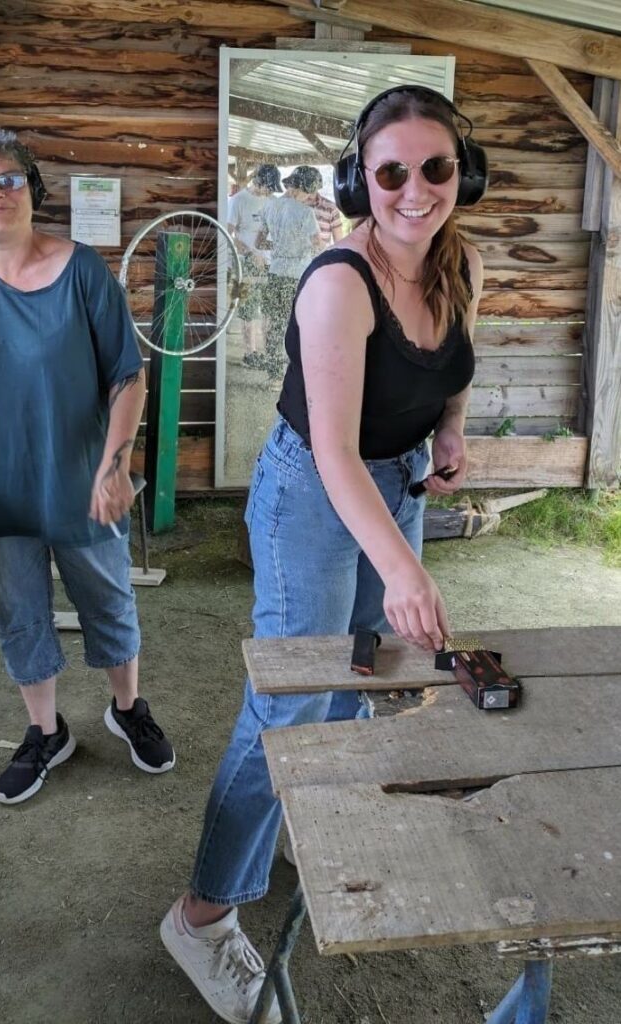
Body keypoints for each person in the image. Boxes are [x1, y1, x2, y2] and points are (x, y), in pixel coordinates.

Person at [160, 85, 485, 1024]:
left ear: (462, 174)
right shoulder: (341, 282)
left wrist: (452, 432)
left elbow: (452, 370)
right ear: (360, 180)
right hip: (313, 490)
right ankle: (203, 912)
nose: (414, 189)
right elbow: (336, 453)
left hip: (397, 479)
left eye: (436, 167)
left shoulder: (462, 263)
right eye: (391, 171)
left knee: (364, 671)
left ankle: (306, 814)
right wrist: (405, 568)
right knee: (291, 699)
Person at [0, 126, 175, 806]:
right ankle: (46, 731)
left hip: (82, 481)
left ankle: (127, 707)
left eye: (8, 179)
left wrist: (115, 466)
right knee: (19, 612)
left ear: (31, 189)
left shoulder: (83, 272)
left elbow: (127, 378)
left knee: (108, 601)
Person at [260, 167, 321, 381]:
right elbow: (317, 246)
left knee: (275, 323)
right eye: (310, 192)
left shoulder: (270, 206)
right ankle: (294, 373)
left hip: (275, 272)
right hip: (297, 275)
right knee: (297, 324)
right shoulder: (306, 213)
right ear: (303, 188)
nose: (310, 197)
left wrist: (280, 246)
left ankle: (273, 375)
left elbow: (259, 241)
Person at [227, 164, 281, 368]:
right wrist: (251, 252)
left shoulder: (273, 202)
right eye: (268, 187)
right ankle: (251, 353)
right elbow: (229, 233)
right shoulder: (238, 200)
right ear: (257, 182)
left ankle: (269, 352)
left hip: (270, 262)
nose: (269, 192)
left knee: (268, 309)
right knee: (248, 310)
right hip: (244, 263)